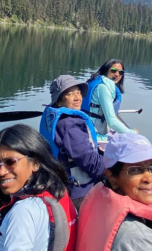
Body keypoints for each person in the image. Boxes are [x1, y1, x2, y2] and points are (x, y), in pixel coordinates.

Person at [38, 75, 106, 203]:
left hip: (58, 182)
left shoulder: (53, 116)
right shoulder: (70, 124)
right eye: (70, 94)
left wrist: (99, 153)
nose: (77, 98)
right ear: (59, 101)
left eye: (78, 92)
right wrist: (110, 166)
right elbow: (90, 162)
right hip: (79, 192)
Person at [82, 59, 136, 136]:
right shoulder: (103, 88)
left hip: (86, 126)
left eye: (121, 72)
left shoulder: (97, 81)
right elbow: (112, 121)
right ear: (106, 71)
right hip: (94, 132)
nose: (117, 74)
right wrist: (132, 133)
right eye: (113, 70)